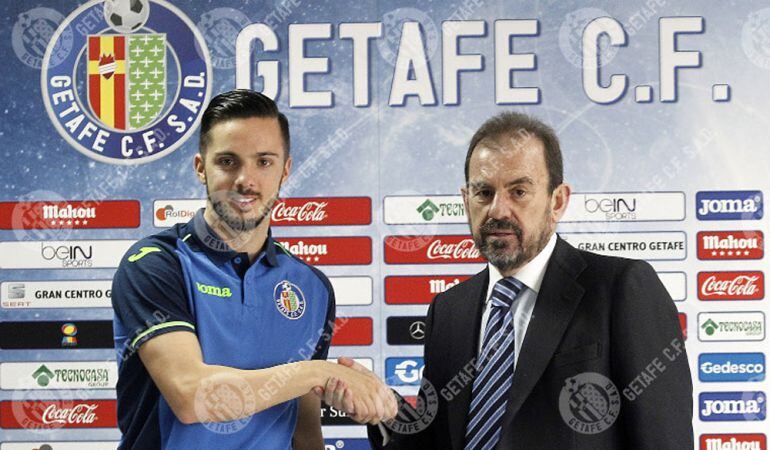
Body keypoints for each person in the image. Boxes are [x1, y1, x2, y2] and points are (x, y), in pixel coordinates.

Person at [324, 112, 693, 449]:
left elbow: (664, 439)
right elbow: (435, 442)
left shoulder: (621, 289)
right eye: (484, 192)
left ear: (558, 201)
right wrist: (384, 410)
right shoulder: (449, 311)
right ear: (465, 199)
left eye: (519, 191)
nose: (499, 210)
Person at [111, 89, 396, 449]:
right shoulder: (156, 263)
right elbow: (189, 395)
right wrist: (320, 373)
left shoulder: (311, 287)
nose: (246, 180)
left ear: (285, 170)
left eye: (264, 162)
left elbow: (302, 427)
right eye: (228, 162)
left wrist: (329, 386)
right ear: (201, 168)